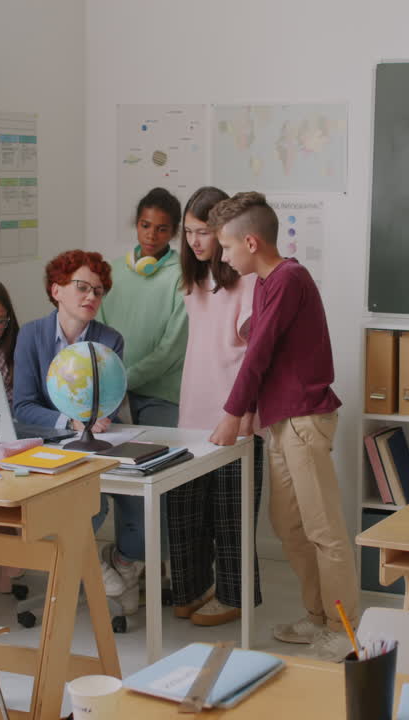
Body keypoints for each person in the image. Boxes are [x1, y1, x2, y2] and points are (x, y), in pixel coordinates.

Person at [207, 191, 356, 662]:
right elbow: (265, 344)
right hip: (281, 421)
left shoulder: (290, 278)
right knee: (288, 526)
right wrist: (251, 410)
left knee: (323, 530)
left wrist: (233, 413)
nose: (224, 257)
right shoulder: (266, 283)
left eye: (227, 248)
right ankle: (317, 618)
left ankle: (343, 629)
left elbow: (261, 352)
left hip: (304, 420)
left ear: (250, 242)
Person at [12, 250, 145, 613]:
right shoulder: (31, 336)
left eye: (98, 292)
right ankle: (88, 567)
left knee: (141, 510)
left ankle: (118, 564)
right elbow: (22, 407)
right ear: (56, 290)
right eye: (82, 287)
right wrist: (70, 421)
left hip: (100, 443)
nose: (91, 297)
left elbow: (110, 403)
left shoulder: (110, 340)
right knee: (81, 502)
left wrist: (95, 419)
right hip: (50, 446)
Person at [165, 186, 265, 627]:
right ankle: (190, 588)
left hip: (235, 417)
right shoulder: (192, 280)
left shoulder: (249, 281)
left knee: (231, 517)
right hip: (191, 416)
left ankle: (234, 596)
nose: (195, 241)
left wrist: (244, 414)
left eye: (203, 232)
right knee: (183, 512)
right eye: (188, 233)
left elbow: (258, 359)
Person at [98, 187, 188, 428]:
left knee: (159, 456)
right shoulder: (111, 272)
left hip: (161, 395)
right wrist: (112, 384)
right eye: (145, 225)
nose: (151, 235)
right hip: (112, 392)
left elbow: (171, 349)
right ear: (136, 224)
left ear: (174, 232)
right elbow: (97, 331)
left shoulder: (183, 276)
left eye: (162, 229)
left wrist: (125, 380)